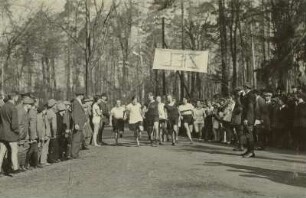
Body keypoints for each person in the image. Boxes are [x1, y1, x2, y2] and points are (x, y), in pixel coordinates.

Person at [0, 92, 21, 175]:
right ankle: (15, 168)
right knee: (14, 150)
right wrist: (17, 132)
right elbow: (14, 124)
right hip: (11, 134)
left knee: (1, 152)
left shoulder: (2, 107)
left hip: (2, 133)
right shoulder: (13, 108)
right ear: (15, 97)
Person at [17, 96, 34, 170]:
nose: (31, 106)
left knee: (25, 148)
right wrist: (21, 135)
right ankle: (19, 165)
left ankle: (22, 165)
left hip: (25, 134)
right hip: (21, 134)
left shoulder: (27, 112)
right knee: (20, 150)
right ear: (27, 104)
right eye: (31, 104)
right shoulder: (20, 112)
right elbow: (19, 124)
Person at [241, 82, 256, 158]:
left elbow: (250, 108)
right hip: (247, 117)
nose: (243, 89)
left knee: (249, 135)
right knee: (247, 135)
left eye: (244, 87)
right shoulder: (247, 95)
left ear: (247, 88)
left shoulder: (250, 95)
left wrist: (247, 118)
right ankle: (249, 150)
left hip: (249, 118)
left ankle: (251, 151)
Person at [71, 89, 87, 158]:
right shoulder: (76, 102)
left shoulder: (78, 101)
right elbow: (75, 114)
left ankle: (75, 153)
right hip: (78, 123)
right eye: (83, 95)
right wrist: (76, 123)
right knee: (76, 139)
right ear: (80, 95)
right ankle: (74, 154)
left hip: (80, 123)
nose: (83, 96)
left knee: (78, 138)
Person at [25, 98, 40, 169]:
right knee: (31, 149)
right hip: (33, 134)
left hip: (34, 133)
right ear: (35, 103)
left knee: (34, 149)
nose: (38, 104)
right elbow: (32, 126)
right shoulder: (32, 112)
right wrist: (32, 136)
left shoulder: (33, 111)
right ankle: (26, 164)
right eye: (37, 103)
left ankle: (35, 164)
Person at [46, 99, 59, 163]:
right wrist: (54, 134)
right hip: (50, 132)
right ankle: (51, 159)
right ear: (53, 105)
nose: (56, 106)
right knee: (51, 147)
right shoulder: (53, 114)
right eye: (55, 104)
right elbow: (54, 126)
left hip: (45, 131)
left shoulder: (47, 112)